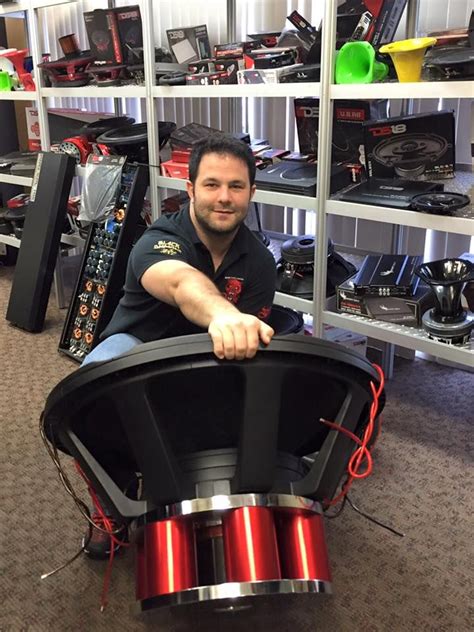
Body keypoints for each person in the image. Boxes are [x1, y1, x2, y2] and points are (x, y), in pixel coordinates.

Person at [81, 132, 277, 558]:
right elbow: (181, 282)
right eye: (211, 185)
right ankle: (112, 496)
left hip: (208, 360)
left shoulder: (260, 262)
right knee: (88, 390)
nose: (224, 197)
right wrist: (224, 313)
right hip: (137, 350)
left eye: (236, 186)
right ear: (190, 189)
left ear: (252, 192)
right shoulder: (159, 239)